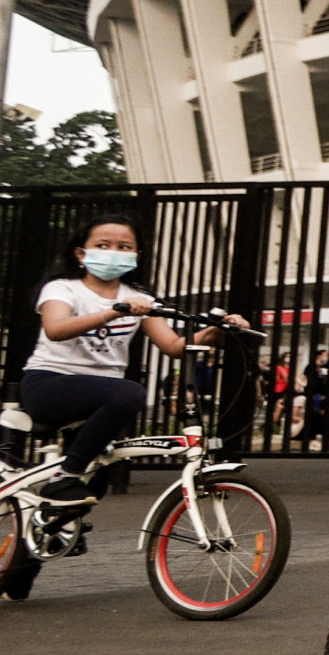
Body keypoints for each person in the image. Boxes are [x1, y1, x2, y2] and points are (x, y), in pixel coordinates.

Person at [20, 215, 247, 549]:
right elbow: (55, 328)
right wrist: (115, 311)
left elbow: (174, 346)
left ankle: (47, 535)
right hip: (50, 384)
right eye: (103, 245)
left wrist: (218, 330)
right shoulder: (63, 288)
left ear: (137, 255)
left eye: (124, 247)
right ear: (81, 253)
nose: (114, 252)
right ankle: (64, 477)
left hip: (102, 396)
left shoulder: (138, 297)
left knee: (98, 478)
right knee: (130, 395)